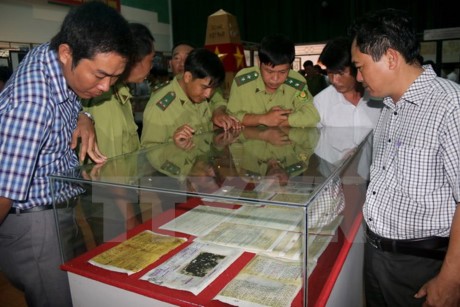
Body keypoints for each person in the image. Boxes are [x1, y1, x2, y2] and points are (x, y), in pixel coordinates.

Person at [0, 2, 133, 306]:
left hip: (55, 208)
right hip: (34, 224)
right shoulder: (31, 104)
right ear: (66, 54)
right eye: (100, 75)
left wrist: (84, 117)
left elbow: (69, 98)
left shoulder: (52, 59)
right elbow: (2, 193)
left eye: (114, 77)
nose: (106, 87)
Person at [350, 8, 460, 307]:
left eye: (360, 66)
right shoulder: (389, 107)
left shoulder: (449, 105)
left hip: (420, 265)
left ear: (390, 58)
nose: (358, 78)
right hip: (377, 256)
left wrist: (451, 278)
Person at [82, 23, 155, 159]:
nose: (151, 67)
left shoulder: (120, 92)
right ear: (134, 62)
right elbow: (110, 170)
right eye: (150, 60)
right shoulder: (106, 101)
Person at [141, 48, 229, 147]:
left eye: (213, 89)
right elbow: (149, 154)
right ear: (187, 77)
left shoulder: (199, 97)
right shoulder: (159, 108)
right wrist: (175, 146)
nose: (208, 94)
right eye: (204, 87)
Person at [227, 34, 319, 127]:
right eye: (269, 71)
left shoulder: (297, 84)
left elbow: (312, 115)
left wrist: (279, 121)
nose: (275, 79)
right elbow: (231, 116)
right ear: (259, 63)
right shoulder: (243, 81)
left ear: (290, 66)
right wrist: (262, 119)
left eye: (282, 72)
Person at [164, 42, 240, 131]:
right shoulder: (164, 101)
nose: (182, 63)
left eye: (187, 58)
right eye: (177, 58)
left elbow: (219, 103)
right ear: (170, 63)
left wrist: (219, 117)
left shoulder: (202, 94)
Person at [314, 36, 382, 128]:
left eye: (340, 73)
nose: (334, 80)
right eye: (329, 72)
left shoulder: (380, 97)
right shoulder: (320, 103)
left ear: (356, 68)